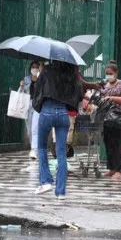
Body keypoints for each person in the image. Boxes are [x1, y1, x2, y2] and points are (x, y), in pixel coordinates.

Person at [32, 61, 83, 199]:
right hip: (63, 113)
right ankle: (60, 192)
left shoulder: (47, 70)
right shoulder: (71, 73)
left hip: (47, 111)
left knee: (41, 147)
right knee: (61, 152)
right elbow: (79, 93)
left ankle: (45, 181)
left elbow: (37, 90)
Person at [99, 61, 121, 181]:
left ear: (116, 73)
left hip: (119, 118)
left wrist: (112, 98)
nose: (109, 76)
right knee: (108, 143)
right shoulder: (104, 86)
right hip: (106, 119)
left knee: (118, 144)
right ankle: (111, 167)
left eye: (111, 73)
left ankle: (119, 170)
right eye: (107, 74)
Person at [20, 61, 42, 160]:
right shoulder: (27, 79)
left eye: (37, 67)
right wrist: (22, 85)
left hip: (37, 106)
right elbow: (23, 92)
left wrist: (38, 80)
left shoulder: (41, 79)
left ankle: (34, 150)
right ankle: (33, 147)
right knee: (29, 129)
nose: (35, 69)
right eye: (33, 67)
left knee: (35, 128)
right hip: (28, 105)